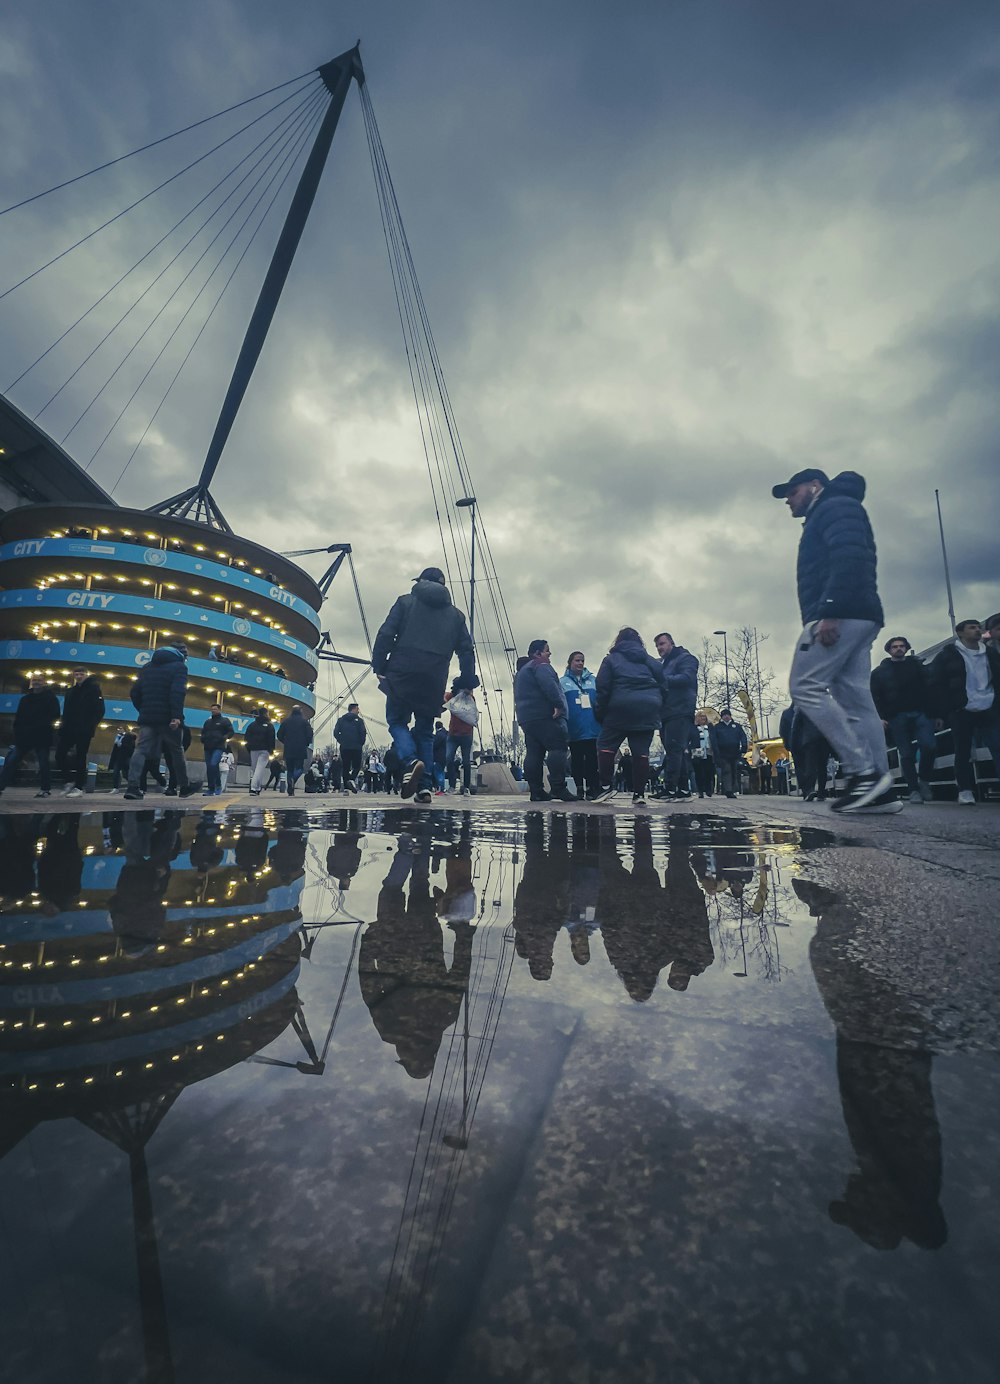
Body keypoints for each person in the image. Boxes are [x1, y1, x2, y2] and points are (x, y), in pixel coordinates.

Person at [773, 467, 898, 813]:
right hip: (859, 613)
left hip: (838, 614)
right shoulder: (835, 508)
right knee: (856, 700)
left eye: (792, 491)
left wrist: (829, 610)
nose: (788, 499)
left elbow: (850, 556)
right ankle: (881, 790)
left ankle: (864, 775)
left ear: (815, 486)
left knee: (805, 686)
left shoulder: (834, 507)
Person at [372, 566, 476, 804]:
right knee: (425, 731)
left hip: (402, 671)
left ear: (421, 581)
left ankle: (410, 761)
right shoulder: (457, 616)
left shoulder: (405, 602)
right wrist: (466, 681)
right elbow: (466, 651)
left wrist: (379, 666)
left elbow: (386, 634)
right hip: (435, 676)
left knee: (397, 721)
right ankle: (425, 787)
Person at [591, 627, 666, 808]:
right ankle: (639, 793)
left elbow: (602, 687)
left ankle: (606, 786)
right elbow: (665, 685)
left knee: (606, 747)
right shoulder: (650, 661)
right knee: (641, 753)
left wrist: (601, 712)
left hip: (619, 708)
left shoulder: (610, 660)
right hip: (647, 708)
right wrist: (657, 705)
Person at [929, 618, 1000, 804]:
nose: (977, 630)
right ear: (960, 633)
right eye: (972, 628)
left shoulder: (990, 653)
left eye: (979, 628)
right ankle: (965, 790)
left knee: (997, 746)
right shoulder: (948, 655)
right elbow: (937, 684)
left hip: (989, 705)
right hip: (961, 708)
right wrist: (940, 713)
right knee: (962, 751)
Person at [124, 642, 199, 801]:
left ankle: (132, 787)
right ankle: (184, 787)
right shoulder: (179, 667)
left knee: (141, 749)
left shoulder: (147, 667)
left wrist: (143, 710)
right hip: (167, 718)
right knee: (176, 751)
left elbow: (134, 692)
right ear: (181, 655)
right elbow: (177, 692)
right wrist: (176, 716)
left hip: (148, 717)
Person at [870, 636, 937, 804]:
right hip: (896, 716)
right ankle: (913, 789)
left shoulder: (918, 666)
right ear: (889, 650)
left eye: (901, 646)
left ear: (906, 648)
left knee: (929, 746)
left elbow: (930, 689)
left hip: (921, 711)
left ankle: (924, 780)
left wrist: (937, 713)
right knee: (906, 753)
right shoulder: (879, 673)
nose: (899, 648)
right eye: (895, 646)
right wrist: (880, 717)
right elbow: (875, 697)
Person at [513, 639, 576, 803]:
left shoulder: (522, 672)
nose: (549, 653)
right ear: (537, 653)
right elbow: (549, 685)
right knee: (558, 748)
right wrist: (558, 705)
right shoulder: (540, 665)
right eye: (547, 650)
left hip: (527, 717)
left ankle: (536, 791)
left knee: (534, 752)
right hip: (546, 715)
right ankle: (558, 788)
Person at [653, 632, 699, 800]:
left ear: (671, 643)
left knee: (674, 750)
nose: (659, 648)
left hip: (679, 710)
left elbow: (686, 678)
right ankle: (683, 789)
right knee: (676, 750)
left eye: (662, 644)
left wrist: (661, 679)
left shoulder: (686, 659)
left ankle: (670, 788)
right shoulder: (664, 664)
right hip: (667, 712)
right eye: (657, 645)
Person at [0, 676, 61, 798]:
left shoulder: (51, 698)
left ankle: (45, 789)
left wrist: (44, 727)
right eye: (34, 681)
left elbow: (55, 716)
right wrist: (17, 734)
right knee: (11, 761)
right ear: (31, 683)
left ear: (44, 683)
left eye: (39, 680)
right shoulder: (25, 699)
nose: (36, 683)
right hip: (24, 738)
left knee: (43, 763)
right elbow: (19, 718)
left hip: (42, 737)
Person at [56, 667, 105, 797]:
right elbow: (66, 711)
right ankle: (69, 781)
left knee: (80, 757)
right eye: (76, 674)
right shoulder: (70, 691)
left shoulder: (94, 689)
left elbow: (99, 710)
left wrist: (90, 726)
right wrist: (63, 725)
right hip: (69, 728)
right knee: (59, 754)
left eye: (81, 674)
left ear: (86, 675)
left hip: (84, 729)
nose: (78, 676)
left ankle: (78, 787)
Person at [560, 651, 600, 799]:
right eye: (577, 660)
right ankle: (578, 788)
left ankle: (591, 788)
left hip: (591, 727)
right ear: (570, 662)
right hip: (574, 728)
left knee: (592, 759)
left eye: (582, 661)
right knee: (576, 759)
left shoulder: (593, 680)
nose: (580, 663)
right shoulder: (563, 682)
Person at [444, 684, 477, 795]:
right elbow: (443, 698)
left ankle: (466, 787)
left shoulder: (470, 699)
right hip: (453, 733)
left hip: (465, 734)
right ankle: (452, 786)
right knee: (449, 759)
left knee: (466, 761)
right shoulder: (452, 697)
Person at [277, 704, 314, 796]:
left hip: (289, 748)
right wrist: (306, 742)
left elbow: (279, 734)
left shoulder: (286, 722)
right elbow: (310, 734)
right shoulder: (304, 722)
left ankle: (290, 788)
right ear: (300, 711)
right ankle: (293, 779)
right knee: (299, 768)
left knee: (289, 769)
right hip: (300, 748)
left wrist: (285, 741)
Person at [200, 702, 235, 796]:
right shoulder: (208, 722)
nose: (213, 711)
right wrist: (203, 739)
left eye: (215, 709)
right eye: (212, 710)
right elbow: (203, 732)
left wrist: (224, 737)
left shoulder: (224, 721)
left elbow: (231, 731)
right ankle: (211, 789)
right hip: (207, 747)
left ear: (219, 710)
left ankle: (218, 786)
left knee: (213, 764)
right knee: (210, 768)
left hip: (218, 747)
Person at [713, 708, 748, 797]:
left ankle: (732, 788)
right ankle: (728, 790)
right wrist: (716, 751)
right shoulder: (717, 727)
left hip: (735, 752)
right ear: (722, 717)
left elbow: (743, 736)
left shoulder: (736, 726)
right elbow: (714, 740)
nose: (726, 717)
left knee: (734, 771)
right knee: (726, 770)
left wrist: (744, 747)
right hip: (723, 753)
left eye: (727, 715)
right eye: (724, 715)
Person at [333, 703, 367, 791]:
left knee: (345, 766)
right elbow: (363, 732)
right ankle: (351, 779)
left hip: (344, 747)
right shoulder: (359, 721)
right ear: (354, 709)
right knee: (356, 766)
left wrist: (341, 741)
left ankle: (346, 786)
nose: (358, 711)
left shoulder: (341, 720)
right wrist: (360, 743)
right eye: (357, 709)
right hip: (356, 747)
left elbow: (336, 732)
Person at [244, 707, 276, 795]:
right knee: (259, 769)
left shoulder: (252, 725)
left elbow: (246, 737)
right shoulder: (269, 725)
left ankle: (257, 787)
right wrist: (271, 750)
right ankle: (254, 788)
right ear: (266, 714)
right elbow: (271, 739)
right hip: (264, 750)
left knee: (255, 769)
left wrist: (248, 747)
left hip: (253, 749)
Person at [690, 711, 716, 798]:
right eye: (701, 717)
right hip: (697, 752)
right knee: (699, 772)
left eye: (704, 717)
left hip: (709, 751)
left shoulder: (710, 727)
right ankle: (700, 790)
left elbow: (714, 738)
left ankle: (709, 789)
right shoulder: (693, 728)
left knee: (709, 772)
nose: (703, 718)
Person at [107, 726, 136, 790]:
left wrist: (121, 744)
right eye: (119, 728)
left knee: (125, 774)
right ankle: (115, 788)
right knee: (116, 773)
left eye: (121, 728)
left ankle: (133, 785)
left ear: (125, 729)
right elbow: (115, 749)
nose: (119, 730)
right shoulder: (118, 737)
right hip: (117, 758)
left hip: (125, 758)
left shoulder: (128, 737)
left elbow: (130, 748)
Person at [432, 719, 448, 793]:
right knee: (441, 772)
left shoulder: (439, 735)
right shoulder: (446, 734)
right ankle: (442, 788)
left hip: (438, 757)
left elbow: (434, 745)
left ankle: (440, 789)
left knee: (438, 773)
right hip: (444, 756)